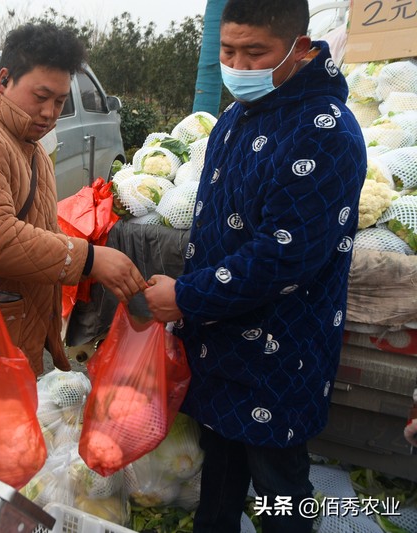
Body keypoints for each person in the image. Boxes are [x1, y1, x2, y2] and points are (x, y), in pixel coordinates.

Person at [143, 1, 366, 531]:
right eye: (228, 51)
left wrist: (186, 296)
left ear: (300, 47)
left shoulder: (325, 132)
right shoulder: (237, 115)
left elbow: (284, 255)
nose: (238, 68)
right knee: (218, 474)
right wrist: (192, 305)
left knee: (279, 486)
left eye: (255, 53)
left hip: (280, 354)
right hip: (220, 341)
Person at [0, 22, 146, 376]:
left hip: (9, 328)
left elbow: (36, 228)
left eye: (59, 101)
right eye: (40, 97)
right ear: (4, 78)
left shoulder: (29, 144)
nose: (49, 112)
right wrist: (88, 259)